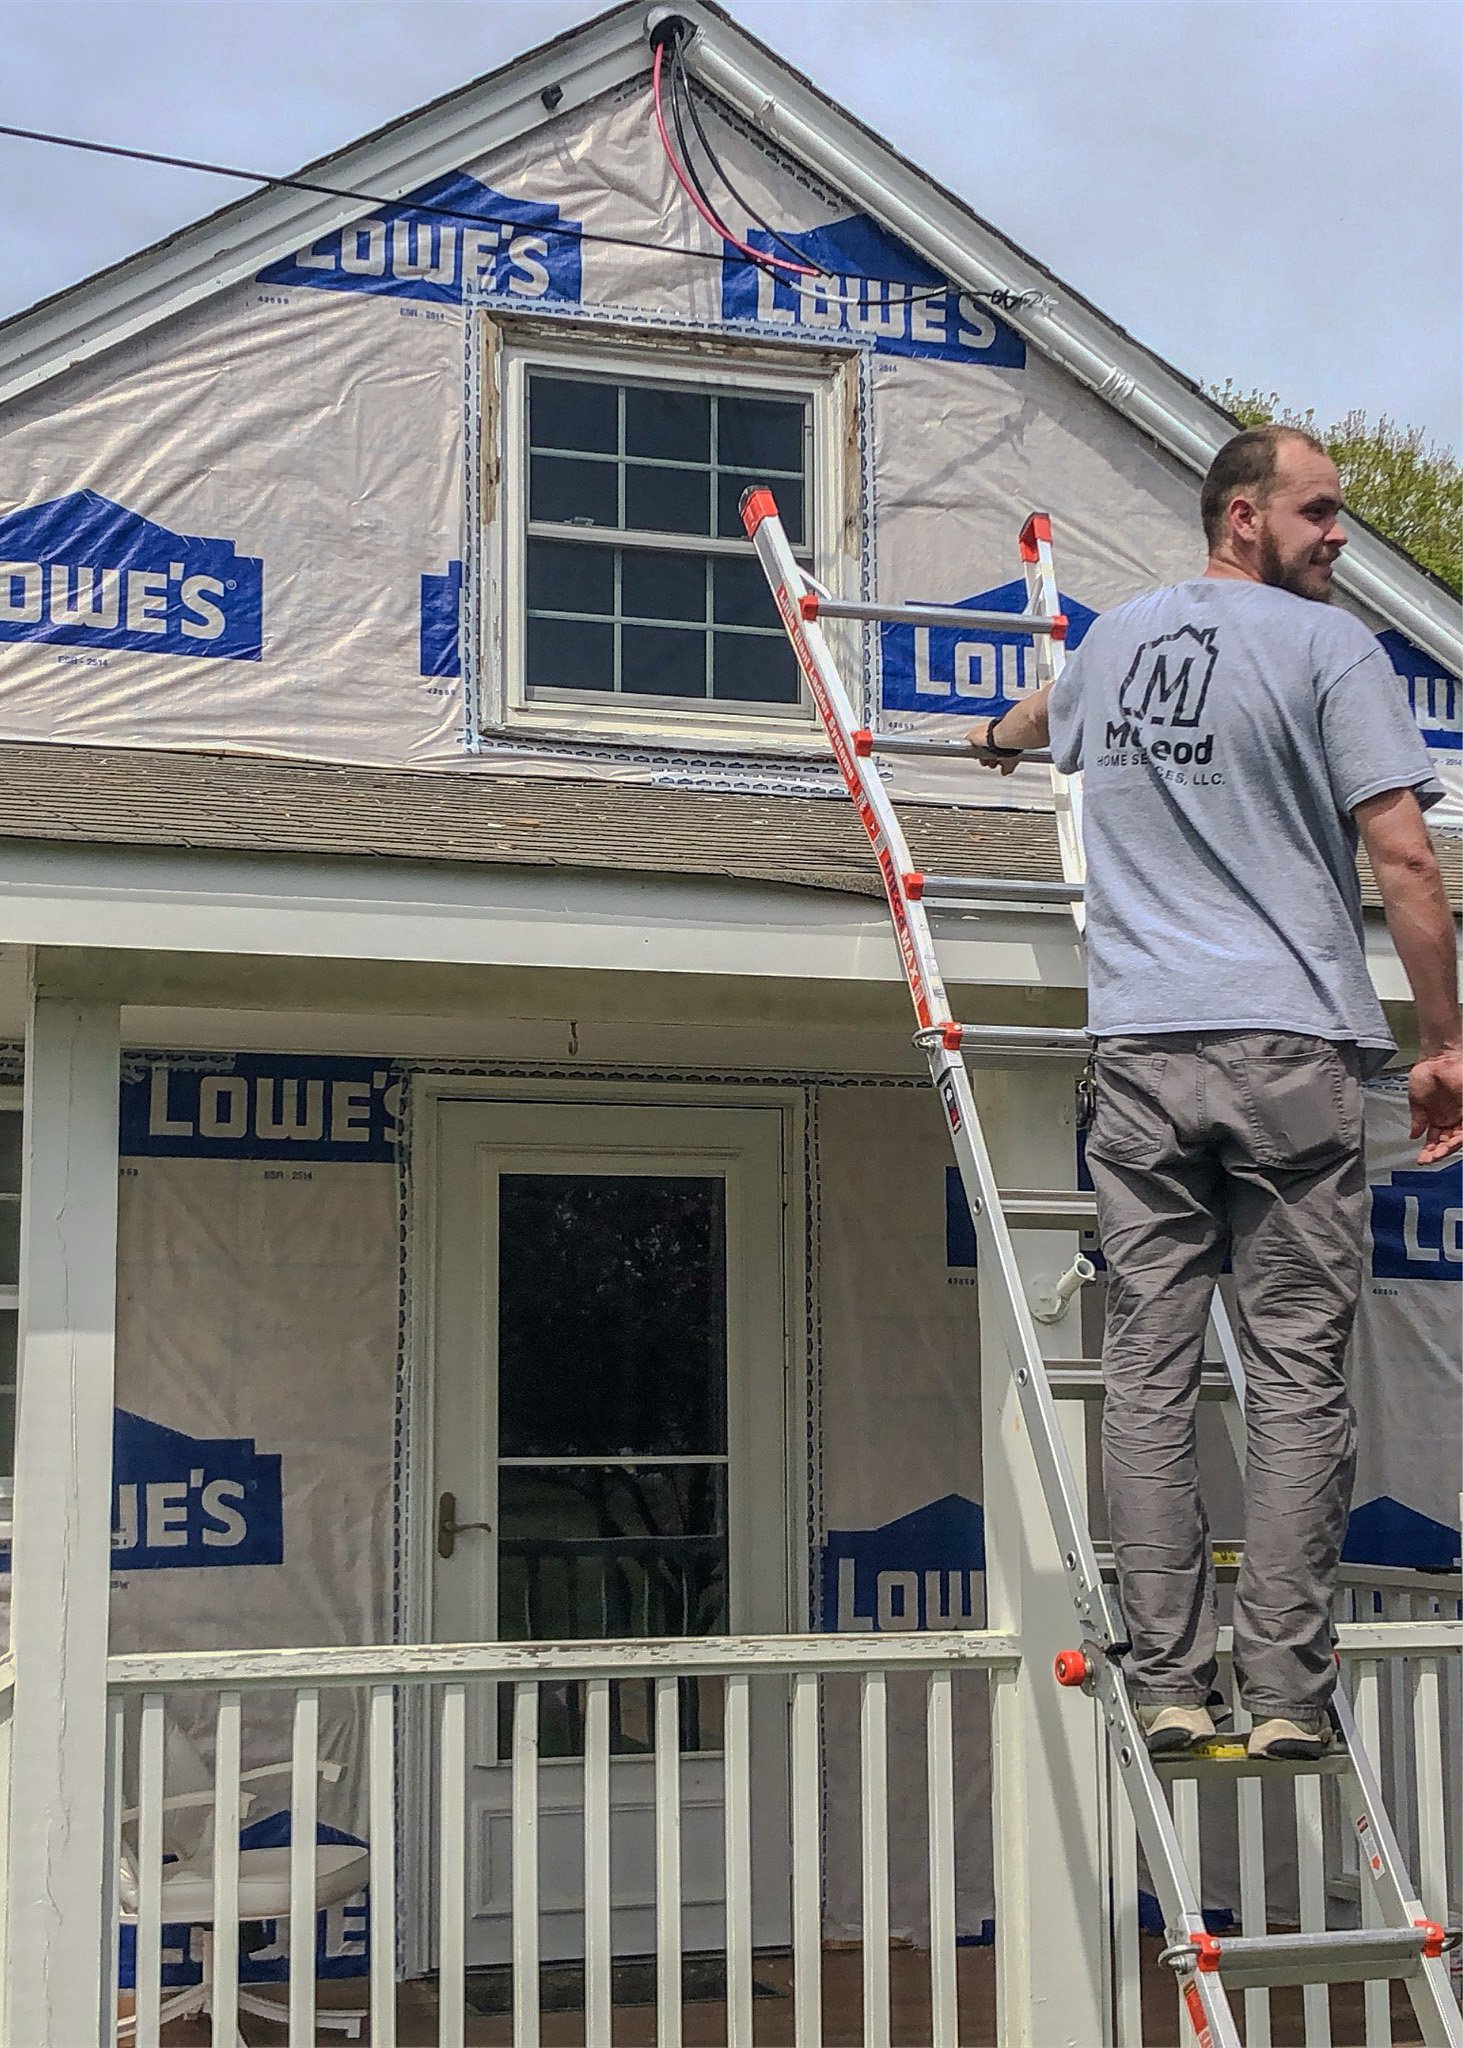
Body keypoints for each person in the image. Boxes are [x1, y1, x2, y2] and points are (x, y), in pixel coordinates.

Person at [967, 425, 1462, 1760]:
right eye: (1319, 513)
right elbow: (1407, 860)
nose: (1339, 536)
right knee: (1298, 1384)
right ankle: (1289, 1697)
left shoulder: (1115, 642)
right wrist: (1445, 1039)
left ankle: (1174, 1681)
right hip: (1290, 1050)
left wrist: (991, 738)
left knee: (1146, 1372)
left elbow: (1034, 716)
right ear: (1244, 517)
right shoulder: (1329, 651)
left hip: (1141, 1057)